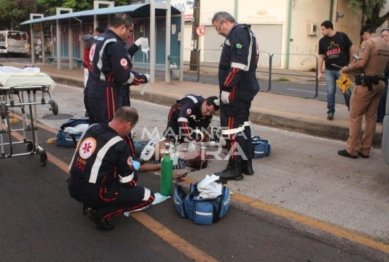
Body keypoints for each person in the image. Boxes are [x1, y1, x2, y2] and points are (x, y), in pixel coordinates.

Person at [67, 106, 155, 231]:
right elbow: (128, 181)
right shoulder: (119, 144)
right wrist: (132, 170)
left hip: (73, 185)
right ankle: (102, 213)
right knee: (148, 196)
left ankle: (89, 204)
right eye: (131, 128)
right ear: (128, 125)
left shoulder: (92, 127)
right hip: (94, 193)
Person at [211, 11, 259, 181]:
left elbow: (238, 64)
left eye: (218, 28)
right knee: (243, 126)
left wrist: (227, 87)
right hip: (245, 87)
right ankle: (246, 164)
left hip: (236, 89)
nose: (218, 32)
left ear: (224, 22)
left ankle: (234, 168)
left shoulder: (237, 32)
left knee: (232, 129)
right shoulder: (246, 32)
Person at [84, 13, 149, 125]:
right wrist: (143, 78)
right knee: (110, 129)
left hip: (91, 89)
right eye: (130, 31)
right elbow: (123, 77)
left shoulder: (99, 38)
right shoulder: (114, 43)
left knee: (95, 129)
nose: (130, 35)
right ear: (123, 27)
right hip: (106, 94)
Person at [338, 24, 389, 159]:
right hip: (380, 83)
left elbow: (361, 64)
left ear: (365, 33)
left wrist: (346, 69)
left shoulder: (367, 43)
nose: (363, 38)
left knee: (355, 115)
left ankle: (352, 149)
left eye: (363, 36)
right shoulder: (386, 44)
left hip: (366, 84)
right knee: (371, 116)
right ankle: (365, 149)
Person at [318, 20, 356, 121]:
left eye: (323, 29)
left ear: (329, 28)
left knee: (346, 91)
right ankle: (330, 111)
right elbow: (320, 56)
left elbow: (352, 47)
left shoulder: (342, 36)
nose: (321, 31)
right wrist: (319, 72)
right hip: (329, 70)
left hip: (342, 70)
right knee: (330, 91)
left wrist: (350, 64)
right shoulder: (322, 41)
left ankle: (352, 110)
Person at [82, 26, 104, 117]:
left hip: (88, 67)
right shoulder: (95, 41)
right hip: (90, 67)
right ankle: (88, 109)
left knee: (88, 87)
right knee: (90, 88)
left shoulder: (91, 39)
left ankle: (88, 109)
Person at [376, 28, 389, 124]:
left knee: (384, 95)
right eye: (383, 36)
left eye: (386, 36)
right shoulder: (380, 47)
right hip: (382, 74)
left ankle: (382, 116)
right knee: (380, 95)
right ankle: (379, 116)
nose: (384, 38)